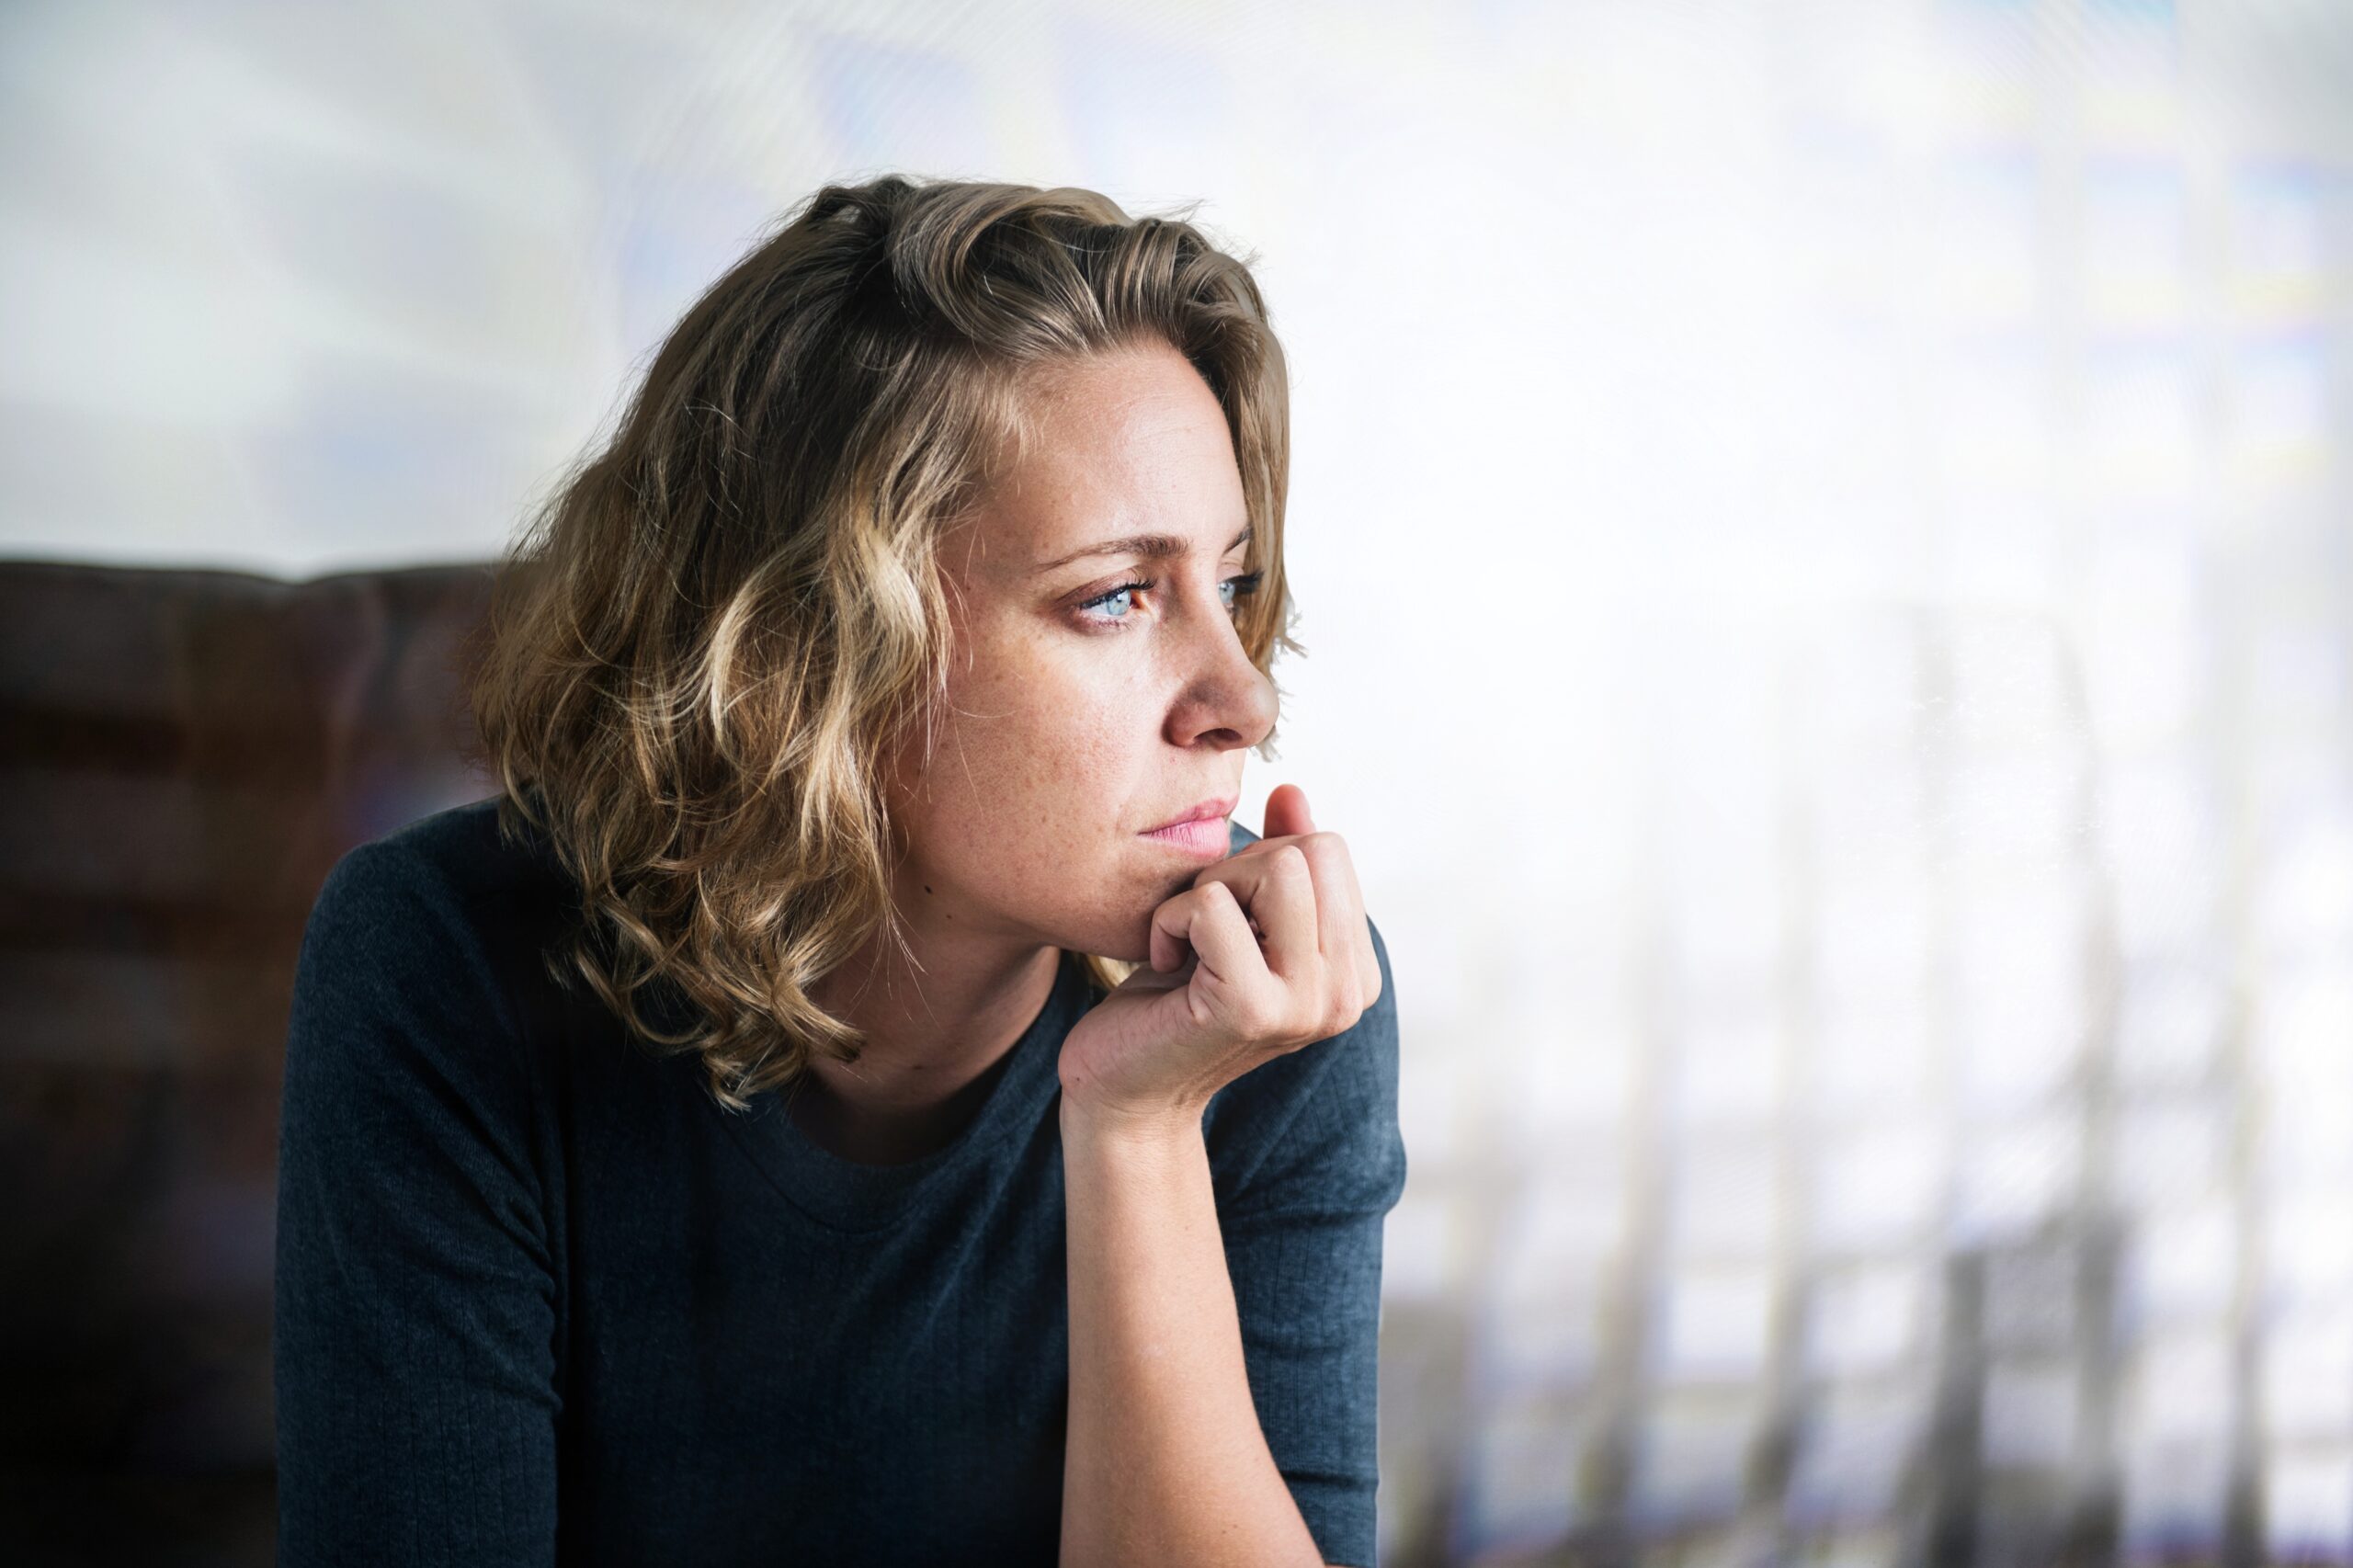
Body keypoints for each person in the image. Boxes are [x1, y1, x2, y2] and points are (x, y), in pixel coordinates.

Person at [272, 174, 1405, 1568]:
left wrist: (1139, 1132)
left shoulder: (1274, 1005)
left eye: (1229, 585)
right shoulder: (446, 963)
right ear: (815, 652)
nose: (1241, 696)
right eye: (1116, 595)